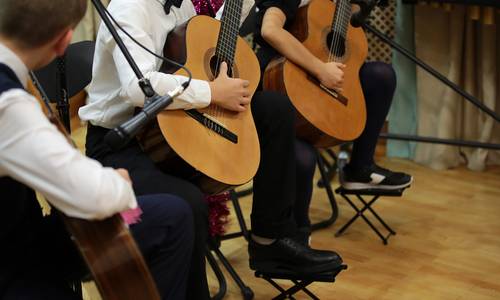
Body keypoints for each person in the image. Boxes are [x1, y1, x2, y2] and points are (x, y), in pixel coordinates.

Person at [79, 0, 342, 297]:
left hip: (174, 123)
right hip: (121, 141)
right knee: (189, 202)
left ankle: (271, 240)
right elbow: (140, 88)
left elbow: (211, 37)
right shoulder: (130, 7)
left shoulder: (183, 7)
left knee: (273, 109)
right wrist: (212, 92)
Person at [0, 1, 194, 299]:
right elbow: (93, 196)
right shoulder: (8, 106)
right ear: (65, 41)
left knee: (172, 214)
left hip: (22, 233)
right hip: (14, 262)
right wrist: (119, 182)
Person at [254, 0, 413, 241]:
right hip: (282, 82)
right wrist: (319, 69)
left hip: (322, 80)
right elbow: (270, 29)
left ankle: (360, 168)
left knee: (381, 76)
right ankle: (294, 235)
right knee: (303, 158)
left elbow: (349, 28)